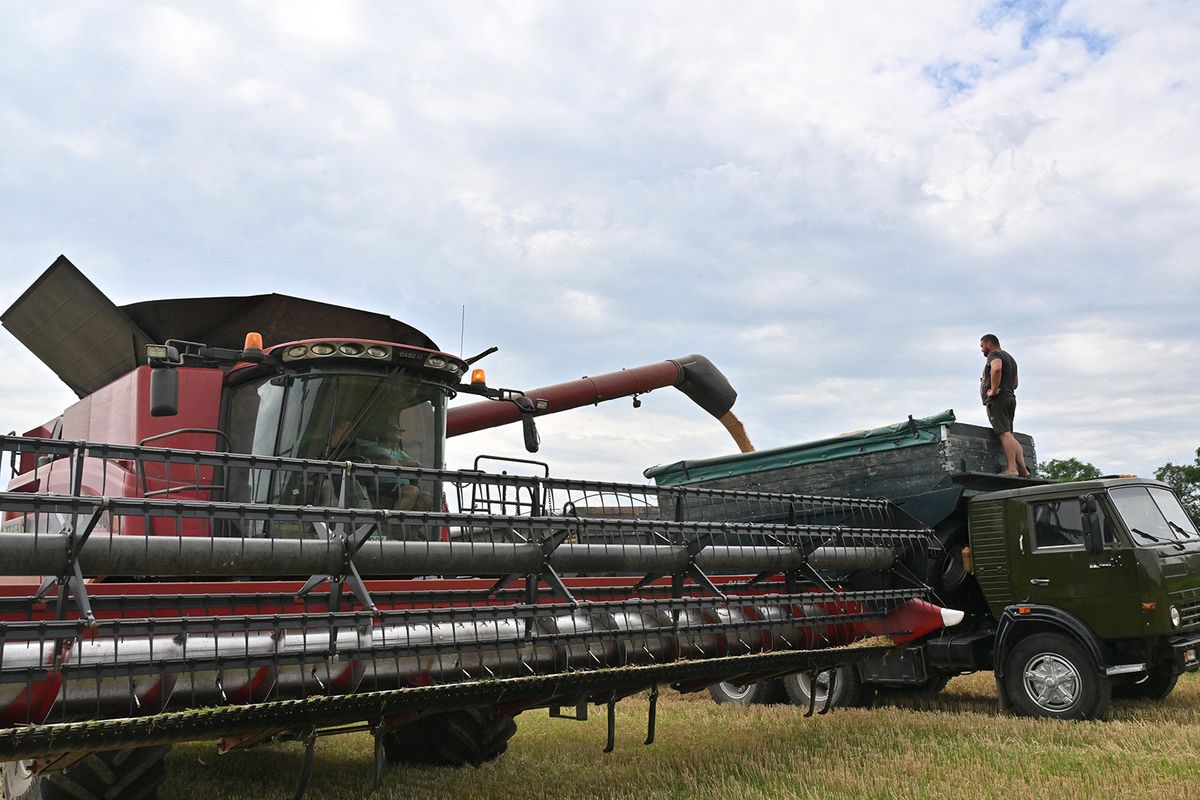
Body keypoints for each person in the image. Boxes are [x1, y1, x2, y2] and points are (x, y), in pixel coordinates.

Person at [979, 334, 1029, 477]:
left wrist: (993, 390)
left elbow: (996, 369)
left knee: (1004, 434)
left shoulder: (994, 354)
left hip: (998, 400)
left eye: (982, 346)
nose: (982, 350)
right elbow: (1015, 384)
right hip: (1010, 398)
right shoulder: (1011, 358)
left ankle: (1012, 469)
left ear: (988, 344)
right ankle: (1024, 470)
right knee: (1009, 435)